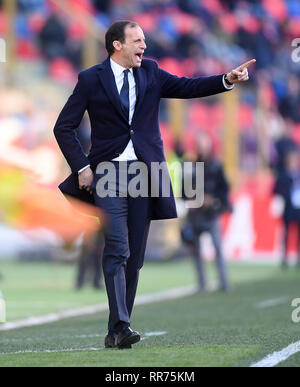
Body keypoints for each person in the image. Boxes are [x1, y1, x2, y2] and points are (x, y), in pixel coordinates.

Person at [53, 20, 255, 349]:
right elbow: (63, 127)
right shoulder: (91, 79)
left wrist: (226, 80)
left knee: (134, 258)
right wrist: (82, 167)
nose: (143, 46)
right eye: (137, 40)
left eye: (144, 40)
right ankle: (121, 325)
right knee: (117, 248)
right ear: (117, 45)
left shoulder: (151, 72)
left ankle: (117, 328)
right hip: (108, 175)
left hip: (145, 175)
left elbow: (188, 87)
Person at [183, 133, 232, 291]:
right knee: (196, 251)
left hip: (211, 214)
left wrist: (214, 200)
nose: (202, 147)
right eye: (200, 144)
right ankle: (202, 283)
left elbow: (224, 189)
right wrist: (194, 200)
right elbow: (185, 190)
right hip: (196, 214)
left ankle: (224, 281)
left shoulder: (217, 167)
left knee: (217, 247)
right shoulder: (191, 166)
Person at [273, 150, 300, 268]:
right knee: (286, 233)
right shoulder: (283, 175)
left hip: (298, 207)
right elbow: (276, 190)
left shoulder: (298, 174)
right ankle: (285, 257)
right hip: (288, 206)